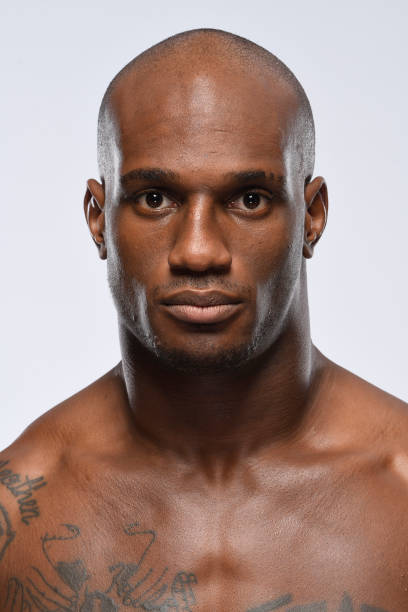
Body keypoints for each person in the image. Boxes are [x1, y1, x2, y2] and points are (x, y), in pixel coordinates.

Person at [0, 28, 406, 612]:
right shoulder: (20, 517)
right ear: (98, 219)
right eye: (155, 199)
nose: (198, 251)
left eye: (250, 200)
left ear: (312, 217)